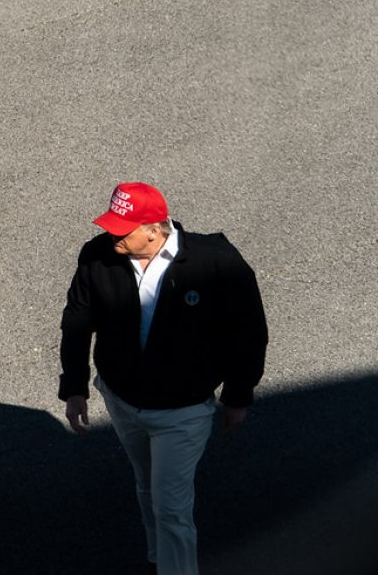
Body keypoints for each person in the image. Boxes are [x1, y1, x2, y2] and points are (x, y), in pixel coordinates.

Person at [58, 182, 268, 575]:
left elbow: (249, 333)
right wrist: (74, 386)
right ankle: (158, 557)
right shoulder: (96, 255)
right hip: (122, 401)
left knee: (171, 507)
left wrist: (238, 396)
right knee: (147, 484)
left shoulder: (217, 263)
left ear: (154, 230)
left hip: (182, 412)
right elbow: (77, 322)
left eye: (122, 230)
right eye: (110, 227)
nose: (112, 237)